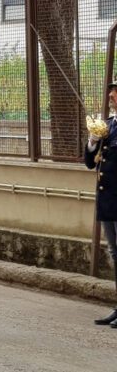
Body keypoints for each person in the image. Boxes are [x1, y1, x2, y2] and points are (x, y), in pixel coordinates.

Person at [85, 81, 117, 329]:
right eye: (112, 92)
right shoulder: (108, 124)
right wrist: (92, 142)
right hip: (108, 200)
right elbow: (90, 162)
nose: (112, 95)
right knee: (115, 253)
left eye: (115, 92)